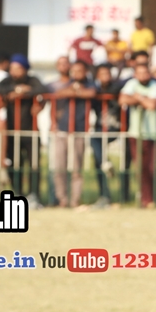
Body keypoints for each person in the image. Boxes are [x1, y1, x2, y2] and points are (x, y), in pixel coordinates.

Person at [0, 55, 45, 198]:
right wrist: (15, 89)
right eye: (12, 68)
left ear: (25, 69)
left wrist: (24, 92)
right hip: (12, 130)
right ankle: (18, 193)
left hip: (30, 130)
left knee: (34, 164)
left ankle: (34, 194)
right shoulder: (9, 81)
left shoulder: (32, 80)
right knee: (14, 164)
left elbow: (43, 89)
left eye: (17, 68)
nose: (14, 71)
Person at [49, 59, 96, 208]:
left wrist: (75, 92)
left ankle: (75, 199)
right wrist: (75, 91)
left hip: (79, 130)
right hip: (62, 129)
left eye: (79, 71)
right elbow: (59, 93)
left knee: (76, 168)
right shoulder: (67, 83)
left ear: (85, 72)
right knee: (59, 167)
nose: (76, 73)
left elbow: (91, 93)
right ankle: (62, 199)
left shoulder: (91, 84)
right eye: (74, 71)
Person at [118, 62, 156, 208]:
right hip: (136, 133)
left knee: (151, 168)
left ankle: (152, 198)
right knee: (140, 168)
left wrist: (139, 98)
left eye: (145, 73)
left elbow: (152, 105)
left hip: (153, 134)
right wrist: (143, 99)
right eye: (140, 73)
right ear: (135, 74)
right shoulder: (131, 84)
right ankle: (145, 199)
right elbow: (122, 100)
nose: (143, 76)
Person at [90, 63, 124, 208]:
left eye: (107, 73)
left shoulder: (117, 87)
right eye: (102, 74)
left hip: (115, 128)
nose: (105, 76)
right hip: (100, 128)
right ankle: (105, 195)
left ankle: (121, 197)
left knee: (95, 141)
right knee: (98, 161)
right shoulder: (94, 89)